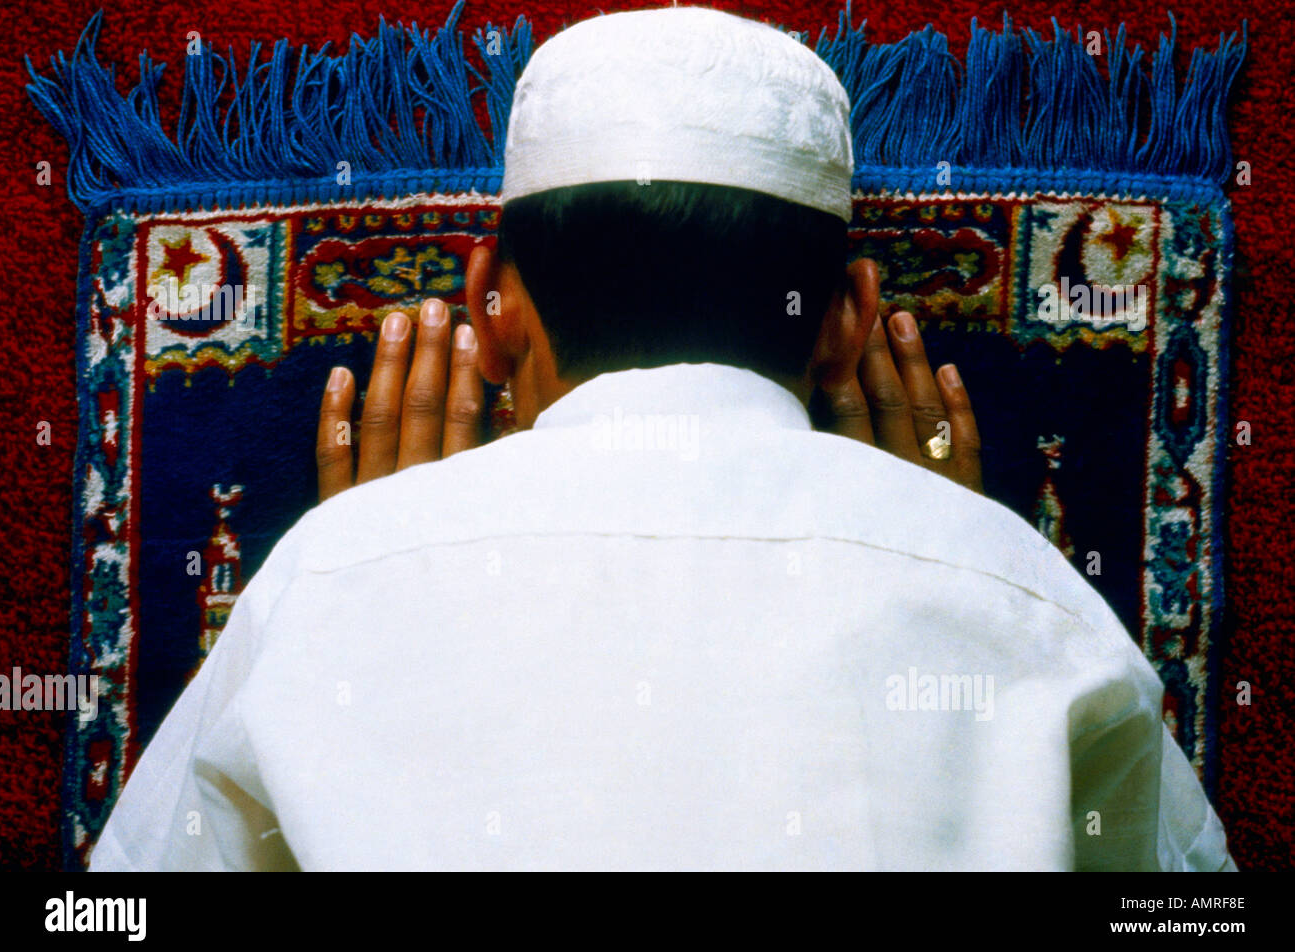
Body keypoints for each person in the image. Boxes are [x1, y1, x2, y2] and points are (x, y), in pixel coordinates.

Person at [89, 6, 1232, 870]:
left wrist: (388, 565)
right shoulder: (1024, 596)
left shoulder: (332, 578)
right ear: (843, 321)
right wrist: (959, 559)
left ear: (492, 302)